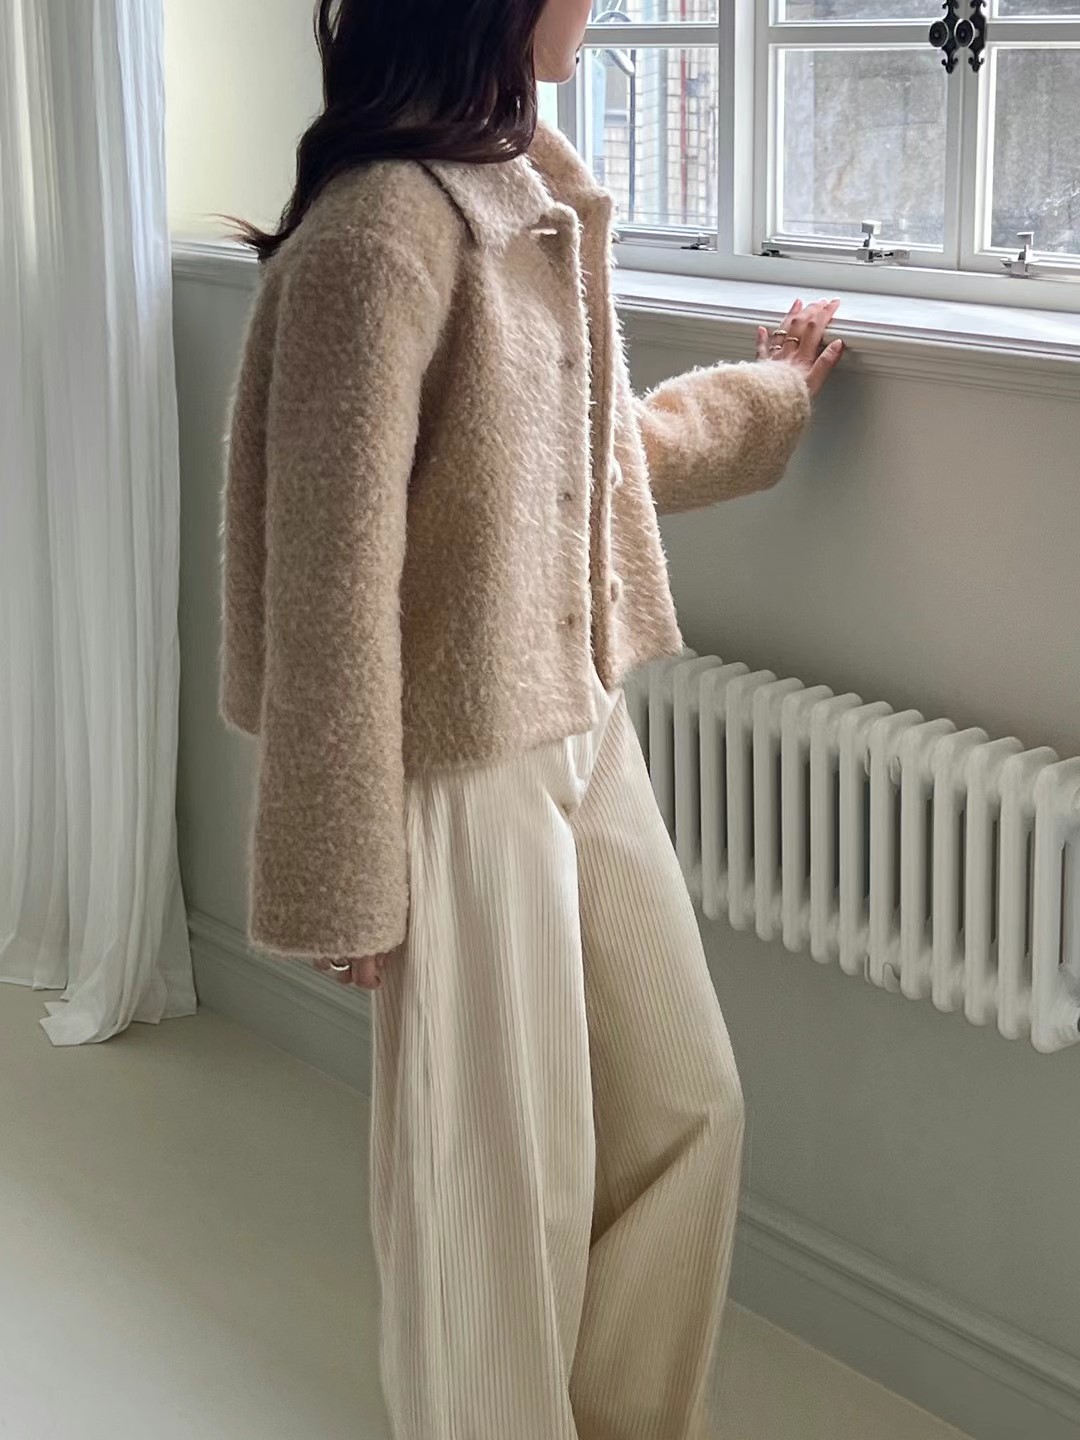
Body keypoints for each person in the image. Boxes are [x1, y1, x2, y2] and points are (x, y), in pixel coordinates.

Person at [221, 1, 843, 1435]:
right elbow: (329, 588)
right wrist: (343, 874)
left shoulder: (527, 181)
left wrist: (770, 394)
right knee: (496, 1200)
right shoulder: (380, 233)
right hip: (453, 763)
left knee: (687, 1111)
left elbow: (590, 459)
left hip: (580, 717)